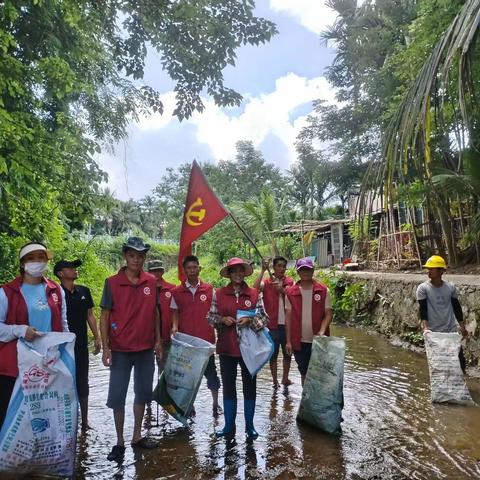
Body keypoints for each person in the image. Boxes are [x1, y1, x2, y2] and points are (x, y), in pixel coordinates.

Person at [100, 237, 162, 462]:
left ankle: (137, 435)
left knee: (142, 393)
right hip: (120, 349)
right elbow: (105, 315)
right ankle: (119, 441)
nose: (136, 259)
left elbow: (156, 312)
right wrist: (106, 347)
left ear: (144, 258)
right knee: (117, 396)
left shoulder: (151, 281)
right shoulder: (112, 282)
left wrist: (157, 341)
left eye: (140, 255)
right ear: (125, 256)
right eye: (132, 255)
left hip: (145, 347)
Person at [0, 242, 69, 430]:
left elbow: (63, 326)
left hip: (48, 365)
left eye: (41, 257)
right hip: (14, 367)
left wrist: (63, 354)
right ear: (22, 264)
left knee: (45, 418)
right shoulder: (6, 293)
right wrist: (20, 330)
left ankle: (41, 459)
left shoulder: (57, 291)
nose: (37, 262)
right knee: (10, 418)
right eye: (31, 258)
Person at [208, 257, 269, 441]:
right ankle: (229, 426)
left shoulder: (253, 293)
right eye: (234, 271)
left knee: (250, 387)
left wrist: (250, 321)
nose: (237, 274)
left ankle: (249, 426)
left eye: (240, 271)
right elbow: (210, 318)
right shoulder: (218, 294)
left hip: (249, 352)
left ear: (244, 272)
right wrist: (221, 320)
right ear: (229, 274)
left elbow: (265, 318)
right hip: (227, 349)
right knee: (228, 388)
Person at [171, 255, 221, 416]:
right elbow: (175, 313)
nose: (192, 270)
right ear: (184, 270)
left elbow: (216, 313)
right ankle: (189, 405)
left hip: (206, 342)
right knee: (187, 378)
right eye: (189, 268)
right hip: (186, 343)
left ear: (199, 268)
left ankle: (215, 404)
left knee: (211, 375)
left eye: (195, 267)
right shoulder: (177, 292)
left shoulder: (209, 289)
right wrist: (174, 327)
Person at [54, 258, 101, 432]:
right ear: (60, 273)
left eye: (75, 267)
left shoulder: (84, 291)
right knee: (64, 383)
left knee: (83, 381)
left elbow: (90, 315)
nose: (74, 270)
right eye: (70, 268)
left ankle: (85, 421)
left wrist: (97, 337)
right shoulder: (55, 294)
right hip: (62, 347)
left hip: (81, 345)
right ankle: (67, 422)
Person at [285, 257, 333, 386]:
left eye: (308, 269)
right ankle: (306, 400)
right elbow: (288, 318)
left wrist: (322, 331)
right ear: (298, 272)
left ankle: (318, 401)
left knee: (319, 371)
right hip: (299, 341)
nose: (305, 272)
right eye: (303, 270)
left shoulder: (323, 290)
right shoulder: (290, 292)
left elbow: (328, 313)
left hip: (319, 341)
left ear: (313, 270)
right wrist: (288, 341)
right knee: (304, 371)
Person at [416, 255, 468, 372]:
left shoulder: (450, 288)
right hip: (434, 334)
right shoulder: (423, 288)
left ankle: (459, 387)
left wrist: (462, 327)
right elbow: (423, 310)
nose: (428, 271)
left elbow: (457, 308)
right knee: (439, 365)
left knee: (459, 364)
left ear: (441, 271)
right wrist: (426, 328)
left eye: (432, 268)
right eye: (428, 268)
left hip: (450, 331)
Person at [253, 256, 294, 388]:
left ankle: (285, 378)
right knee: (273, 355)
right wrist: (262, 270)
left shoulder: (289, 282)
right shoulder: (267, 282)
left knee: (288, 354)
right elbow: (254, 289)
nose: (282, 268)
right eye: (279, 266)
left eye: (284, 266)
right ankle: (275, 380)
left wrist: (281, 289)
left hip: (287, 325)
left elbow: (292, 296)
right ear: (274, 268)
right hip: (272, 325)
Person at [147, 260, 176, 372]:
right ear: (148, 272)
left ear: (163, 271)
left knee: (166, 369)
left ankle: (164, 389)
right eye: (153, 271)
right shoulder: (144, 289)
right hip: (147, 337)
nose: (156, 273)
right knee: (147, 370)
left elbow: (176, 311)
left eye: (159, 270)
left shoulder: (172, 289)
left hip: (167, 336)